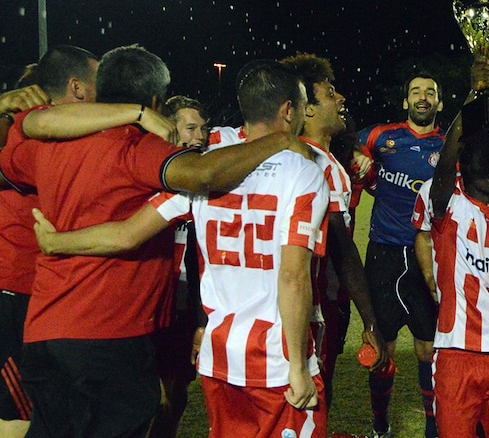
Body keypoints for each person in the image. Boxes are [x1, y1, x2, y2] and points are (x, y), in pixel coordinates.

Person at [0, 45, 310, 437]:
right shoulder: (136, 148)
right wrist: (279, 139)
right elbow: (202, 174)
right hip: (109, 333)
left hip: (45, 328)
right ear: (154, 100)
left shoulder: (44, 145)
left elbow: (22, 134)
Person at [280, 53, 387, 408]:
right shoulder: (321, 164)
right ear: (306, 109)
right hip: (309, 303)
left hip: (267, 307)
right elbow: (343, 254)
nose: (340, 99)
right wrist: (370, 322)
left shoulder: (273, 156)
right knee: (311, 400)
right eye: (329, 94)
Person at [0, 46, 97, 438]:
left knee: (51, 414)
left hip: (49, 294)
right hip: (17, 292)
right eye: (97, 83)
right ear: (74, 87)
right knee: (19, 418)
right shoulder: (31, 129)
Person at [422, 91, 489, 436]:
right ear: (466, 169)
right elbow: (443, 165)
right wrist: (472, 98)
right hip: (457, 354)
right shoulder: (451, 208)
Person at [357, 71, 447, 438]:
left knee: (427, 350)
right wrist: (359, 162)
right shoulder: (381, 137)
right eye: (415, 92)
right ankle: (381, 426)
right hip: (385, 255)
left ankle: (432, 426)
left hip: (428, 256)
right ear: (406, 101)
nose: (423, 97)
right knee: (383, 348)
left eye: (430, 92)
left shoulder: (447, 145)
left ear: (439, 103)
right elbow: (345, 144)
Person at [148, 95, 210, 438]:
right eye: (190, 128)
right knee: (151, 396)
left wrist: (202, 318)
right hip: (151, 301)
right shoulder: (149, 176)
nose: (199, 136)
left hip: (186, 304)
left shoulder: (206, 183)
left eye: (203, 128)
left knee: (177, 393)